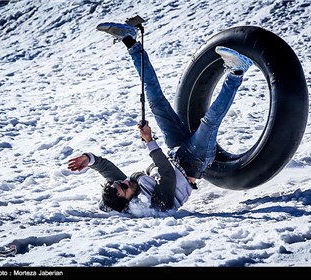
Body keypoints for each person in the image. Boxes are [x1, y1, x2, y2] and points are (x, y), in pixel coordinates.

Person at [67, 22, 253, 213]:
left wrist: (90, 160)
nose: (124, 181)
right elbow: (167, 175)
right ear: (128, 202)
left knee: (156, 102)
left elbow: (109, 170)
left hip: (176, 152)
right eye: (123, 187)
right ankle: (237, 72)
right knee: (210, 121)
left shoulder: (129, 189)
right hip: (195, 161)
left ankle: (130, 41)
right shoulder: (155, 205)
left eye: (120, 183)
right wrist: (149, 141)